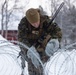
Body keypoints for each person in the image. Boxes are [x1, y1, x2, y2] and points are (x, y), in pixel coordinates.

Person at [18, 8, 62, 75]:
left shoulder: (46, 21)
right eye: (33, 23)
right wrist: (29, 50)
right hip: (30, 50)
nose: (36, 24)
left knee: (41, 69)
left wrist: (54, 41)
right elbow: (21, 39)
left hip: (44, 49)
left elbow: (58, 31)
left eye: (37, 21)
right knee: (33, 69)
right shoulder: (23, 24)